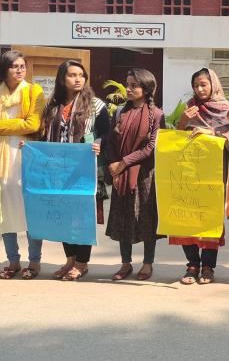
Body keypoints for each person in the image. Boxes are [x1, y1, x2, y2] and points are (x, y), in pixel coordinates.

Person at [38, 60, 110, 281]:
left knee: (81, 217)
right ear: (62, 79)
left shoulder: (96, 105)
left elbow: (107, 134)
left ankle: (81, 262)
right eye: (72, 75)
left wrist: (99, 142)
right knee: (63, 217)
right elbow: (44, 137)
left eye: (81, 75)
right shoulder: (53, 106)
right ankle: (69, 259)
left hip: (83, 170)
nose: (78, 79)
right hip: (58, 170)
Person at [173, 68, 229, 285]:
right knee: (187, 215)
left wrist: (213, 133)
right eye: (196, 85)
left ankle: (208, 266)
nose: (199, 89)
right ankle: (192, 264)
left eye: (203, 84)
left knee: (209, 217)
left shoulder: (226, 109)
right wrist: (181, 122)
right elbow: (175, 139)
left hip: (214, 173)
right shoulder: (189, 107)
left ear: (213, 85)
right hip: (189, 172)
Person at [105, 68, 165, 281]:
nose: (128, 89)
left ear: (146, 89)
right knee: (123, 218)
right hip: (120, 174)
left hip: (144, 175)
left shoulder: (156, 114)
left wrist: (124, 162)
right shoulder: (120, 111)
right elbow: (110, 140)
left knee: (146, 220)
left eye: (134, 85)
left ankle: (147, 263)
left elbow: (151, 147)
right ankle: (125, 263)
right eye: (127, 84)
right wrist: (113, 163)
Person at [0, 51, 45, 280]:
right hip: (2, 158)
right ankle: (13, 260)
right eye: (14, 66)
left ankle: (34, 261)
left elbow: (33, 124)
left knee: (30, 210)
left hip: (25, 155)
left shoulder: (34, 91)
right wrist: (18, 123)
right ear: (4, 69)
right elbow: (23, 122)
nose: (19, 70)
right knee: (4, 210)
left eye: (22, 66)